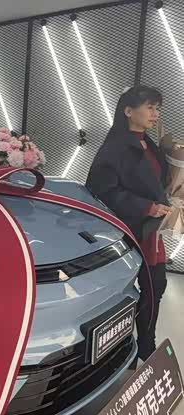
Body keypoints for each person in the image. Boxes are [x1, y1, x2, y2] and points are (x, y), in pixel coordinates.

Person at [86, 85, 171, 362]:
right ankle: (125, 349)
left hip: (151, 230)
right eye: (150, 107)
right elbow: (102, 189)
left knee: (156, 286)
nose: (155, 114)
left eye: (157, 109)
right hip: (129, 230)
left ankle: (145, 345)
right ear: (128, 111)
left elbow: (156, 183)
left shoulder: (150, 145)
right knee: (130, 290)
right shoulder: (115, 146)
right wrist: (147, 207)